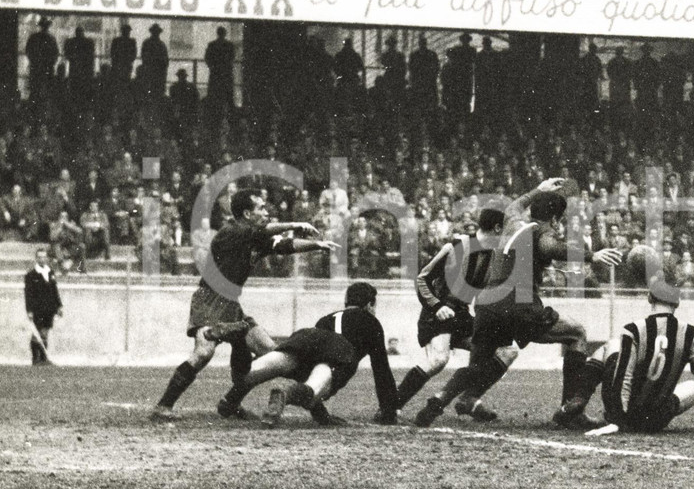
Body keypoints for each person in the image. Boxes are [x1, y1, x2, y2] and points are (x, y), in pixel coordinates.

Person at [413, 178, 622, 429]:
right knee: (577, 333)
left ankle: (440, 400)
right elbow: (549, 246)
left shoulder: (512, 222)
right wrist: (591, 255)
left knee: (480, 364)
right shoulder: (543, 231)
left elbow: (514, 206)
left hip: (486, 305)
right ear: (555, 219)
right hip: (519, 306)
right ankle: (570, 411)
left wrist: (538, 190)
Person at [150, 189, 339, 421]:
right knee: (204, 353)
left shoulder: (254, 237)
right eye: (261, 208)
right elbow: (267, 232)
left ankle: (230, 403)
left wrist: (317, 244)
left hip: (231, 304)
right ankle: (163, 406)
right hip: (210, 298)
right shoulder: (233, 231)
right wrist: (295, 224)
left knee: (272, 354)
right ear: (247, 214)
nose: (266, 211)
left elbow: (284, 245)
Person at [217, 282, 400, 426]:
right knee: (315, 385)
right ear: (369, 305)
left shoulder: (326, 319)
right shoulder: (371, 322)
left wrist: (322, 415)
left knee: (255, 371)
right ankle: (286, 393)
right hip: (342, 350)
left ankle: (238, 344)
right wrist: (388, 411)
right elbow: (381, 370)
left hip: (307, 336)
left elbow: (308, 366)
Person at [582, 280, 694, 437]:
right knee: (693, 386)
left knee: (612, 345)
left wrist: (616, 421)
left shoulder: (633, 329)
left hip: (624, 416)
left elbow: (624, 376)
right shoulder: (691, 333)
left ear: (650, 298)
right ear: (677, 303)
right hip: (656, 420)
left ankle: (579, 402)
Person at [393, 208, 505, 417]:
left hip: (461, 315)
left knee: (502, 350)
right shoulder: (456, 247)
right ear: (497, 228)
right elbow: (422, 279)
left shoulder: (493, 256)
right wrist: (437, 306)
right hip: (437, 314)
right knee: (438, 360)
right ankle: (391, 405)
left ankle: (469, 400)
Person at [24, 248, 63, 366]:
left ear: (47, 258)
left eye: (44, 257)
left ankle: (43, 358)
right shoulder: (31, 275)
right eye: (39, 257)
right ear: (36, 259)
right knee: (38, 332)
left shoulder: (50, 272)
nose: (42, 259)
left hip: (49, 308)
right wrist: (29, 310)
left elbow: (54, 290)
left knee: (45, 332)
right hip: (38, 309)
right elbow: (28, 294)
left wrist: (59, 306)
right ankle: (35, 358)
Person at [204, 26, 235, 110]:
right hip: (226, 74)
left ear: (217, 33)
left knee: (215, 95)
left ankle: (214, 112)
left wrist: (213, 67)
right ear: (225, 34)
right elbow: (232, 58)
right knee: (228, 95)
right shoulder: (230, 45)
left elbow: (207, 58)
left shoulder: (212, 45)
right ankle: (230, 113)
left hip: (215, 74)